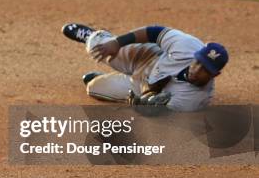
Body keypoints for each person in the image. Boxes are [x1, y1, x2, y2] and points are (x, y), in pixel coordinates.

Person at [62, 23, 229, 112]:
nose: (197, 70)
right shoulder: (187, 45)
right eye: (198, 62)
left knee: (94, 88)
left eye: (205, 70)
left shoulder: (192, 100)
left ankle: (107, 77)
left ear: (215, 75)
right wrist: (117, 43)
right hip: (148, 56)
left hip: (142, 87)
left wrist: (143, 106)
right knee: (98, 45)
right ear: (197, 55)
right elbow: (154, 32)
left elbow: (161, 114)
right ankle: (94, 36)